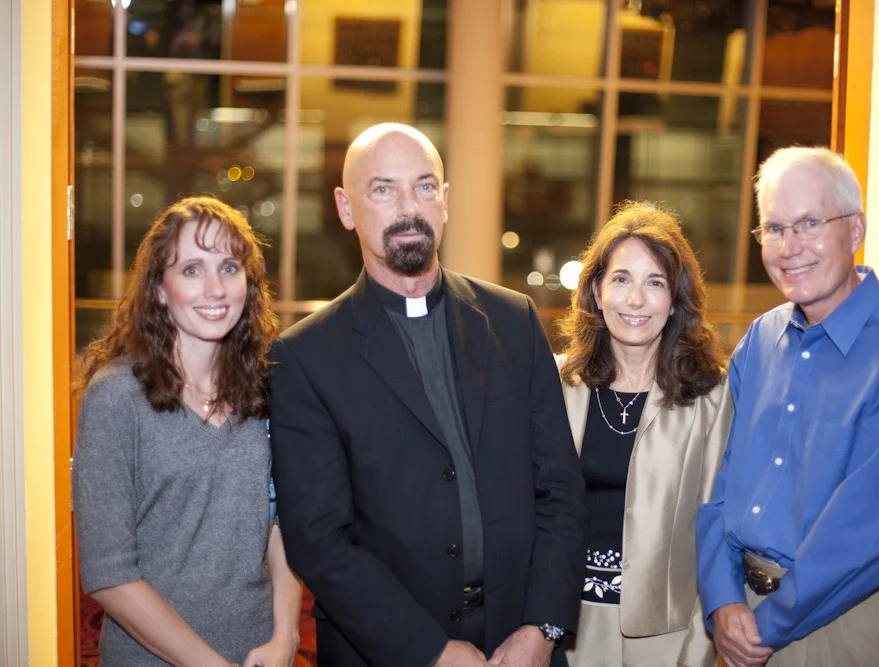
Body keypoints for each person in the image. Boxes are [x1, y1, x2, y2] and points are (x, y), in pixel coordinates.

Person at [267, 123, 588, 667]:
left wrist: (542, 629)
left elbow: (560, 489)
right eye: (383, 189)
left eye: (423, 186)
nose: (408, 208)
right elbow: (319, 539)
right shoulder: (305, 357)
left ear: (445, 201)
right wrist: (430, 651)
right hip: (385, 652)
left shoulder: (513, 321)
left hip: (522, 645)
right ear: (346, 208)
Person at [696, 147, 879, 667]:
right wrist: (723, 601)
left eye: (810, 223)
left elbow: (870, 533)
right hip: (743, 619)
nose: (789, 247)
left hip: (850, 628)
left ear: (856, 229)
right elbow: (722, 486)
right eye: (774, 228)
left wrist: (762, 629)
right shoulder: (761, 339)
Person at [72, 196, 301, 666]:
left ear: (248, 285)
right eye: (192, 270)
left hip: (258, 652)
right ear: (159, 288)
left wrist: (286, 637)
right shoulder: (115, 397)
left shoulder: (265, 389)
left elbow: (280, 525)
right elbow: (109, 574)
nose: (215, 289)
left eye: (229, 268)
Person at [556, 202, 730, 667]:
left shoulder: (713, 395)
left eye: (655, 283)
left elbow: (718, 531)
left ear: (676, 299)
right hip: (565, 630)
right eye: (621, 279)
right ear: (596, 290)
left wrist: (699, 650)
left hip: (666, 639)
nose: (635, 300)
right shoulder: (556, 384)